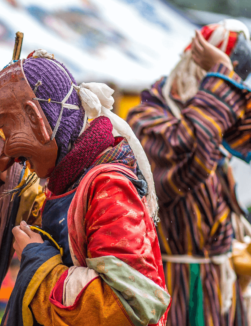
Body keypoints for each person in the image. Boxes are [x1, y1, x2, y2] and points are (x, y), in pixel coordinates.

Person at [0, 50, 170, 326]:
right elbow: (56, 223)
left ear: (36, 119)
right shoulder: (70, 177)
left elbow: (127, 306)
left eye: (5, 132)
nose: (4, 149)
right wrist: (7, 172)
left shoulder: (109, 188)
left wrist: (38, 261)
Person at [127, 20, 251, 326]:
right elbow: (191, 152)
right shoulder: (146, 116)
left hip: (220, 279)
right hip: (172, 280)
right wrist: (221, 74)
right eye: (224, 81)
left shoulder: (216, 115)